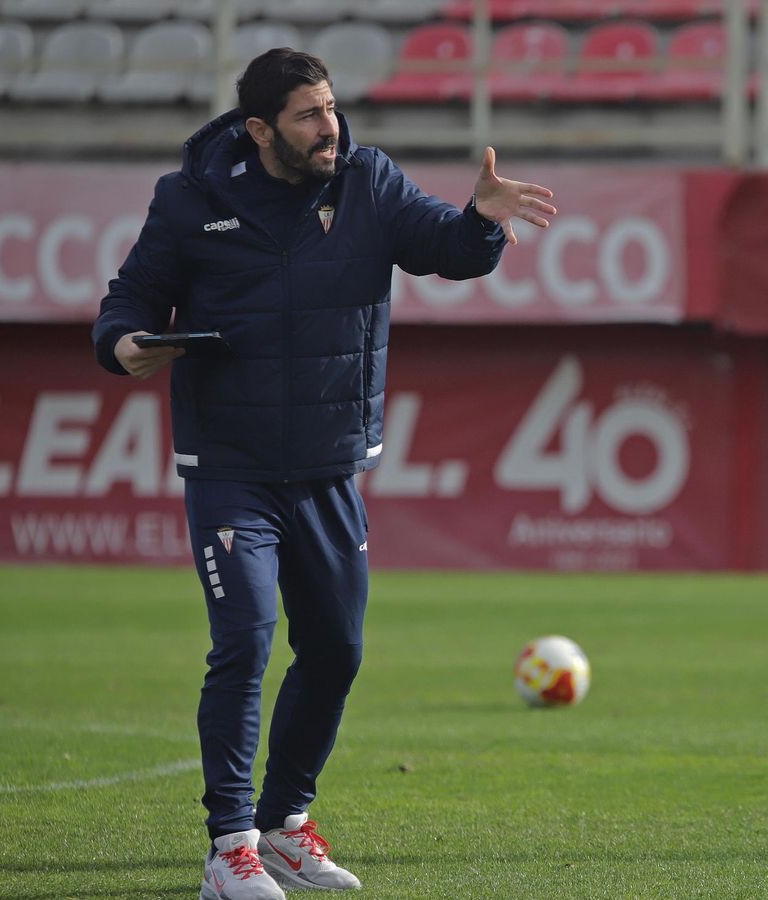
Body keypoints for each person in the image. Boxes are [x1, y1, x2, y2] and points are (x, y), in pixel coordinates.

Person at [91, 49, 555, 900]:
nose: (330, 127)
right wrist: (122, 346)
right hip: (231, 466)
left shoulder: (369, 181)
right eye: (308, 116)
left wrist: (481, 220)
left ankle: (284, 826)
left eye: (333, 110)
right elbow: (129, 298)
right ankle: (227, 849)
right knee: (245, 642)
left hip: (331, 468)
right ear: (261, 129)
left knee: (337, 651)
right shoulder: (190, 199)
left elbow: (448, 250)